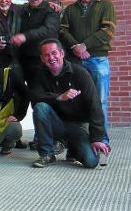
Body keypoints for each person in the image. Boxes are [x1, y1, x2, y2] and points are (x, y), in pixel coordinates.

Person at [30, 39, 109, 168]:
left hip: (78, 126)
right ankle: (47, 154)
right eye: (47, 55)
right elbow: (35, 98)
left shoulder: (80, 73)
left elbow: (95, 106)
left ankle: (73, 149)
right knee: (40, 107)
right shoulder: (39, 74)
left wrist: (96, 139)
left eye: (54, 53)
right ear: (42, 58)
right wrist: (59, 97)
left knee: (91, 162)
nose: (51, 57)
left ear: (62, 53)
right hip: (56, 124)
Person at [60, 0, 116, 146]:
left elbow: (108, 31)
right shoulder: (70, 10)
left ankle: (102, 141)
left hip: (97, 60)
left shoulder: (106, 5)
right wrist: (75, 46)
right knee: (76, 101)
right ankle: (79, 142)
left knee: (99, 102)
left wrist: (85, 46)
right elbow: (62, 31)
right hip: (75, 61)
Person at [10, 0, 59, 87]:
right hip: (24, 60)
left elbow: (49, 30)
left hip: (43, 60)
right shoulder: (23, 9)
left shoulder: (50, 10)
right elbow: (6, 5)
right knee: (24, 94)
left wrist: (25, 36)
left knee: (42, 93)